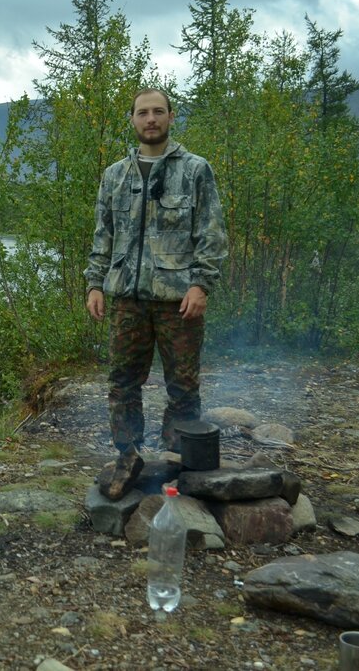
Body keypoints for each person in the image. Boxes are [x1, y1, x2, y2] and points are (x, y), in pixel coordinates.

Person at [83, 88, 227, 500]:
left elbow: (212, 234)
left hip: (177, 298)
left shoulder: (196, 170)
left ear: (171, 117)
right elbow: (103, 235)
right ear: (132, 119)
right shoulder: (115, 175)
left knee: (183, 383)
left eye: (158, 112)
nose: (151, 119)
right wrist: (95, 283)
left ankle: (181, 461)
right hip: (126, 297)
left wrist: (201, 284)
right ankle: (128, 455)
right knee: (122, 380)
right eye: (143, 112)